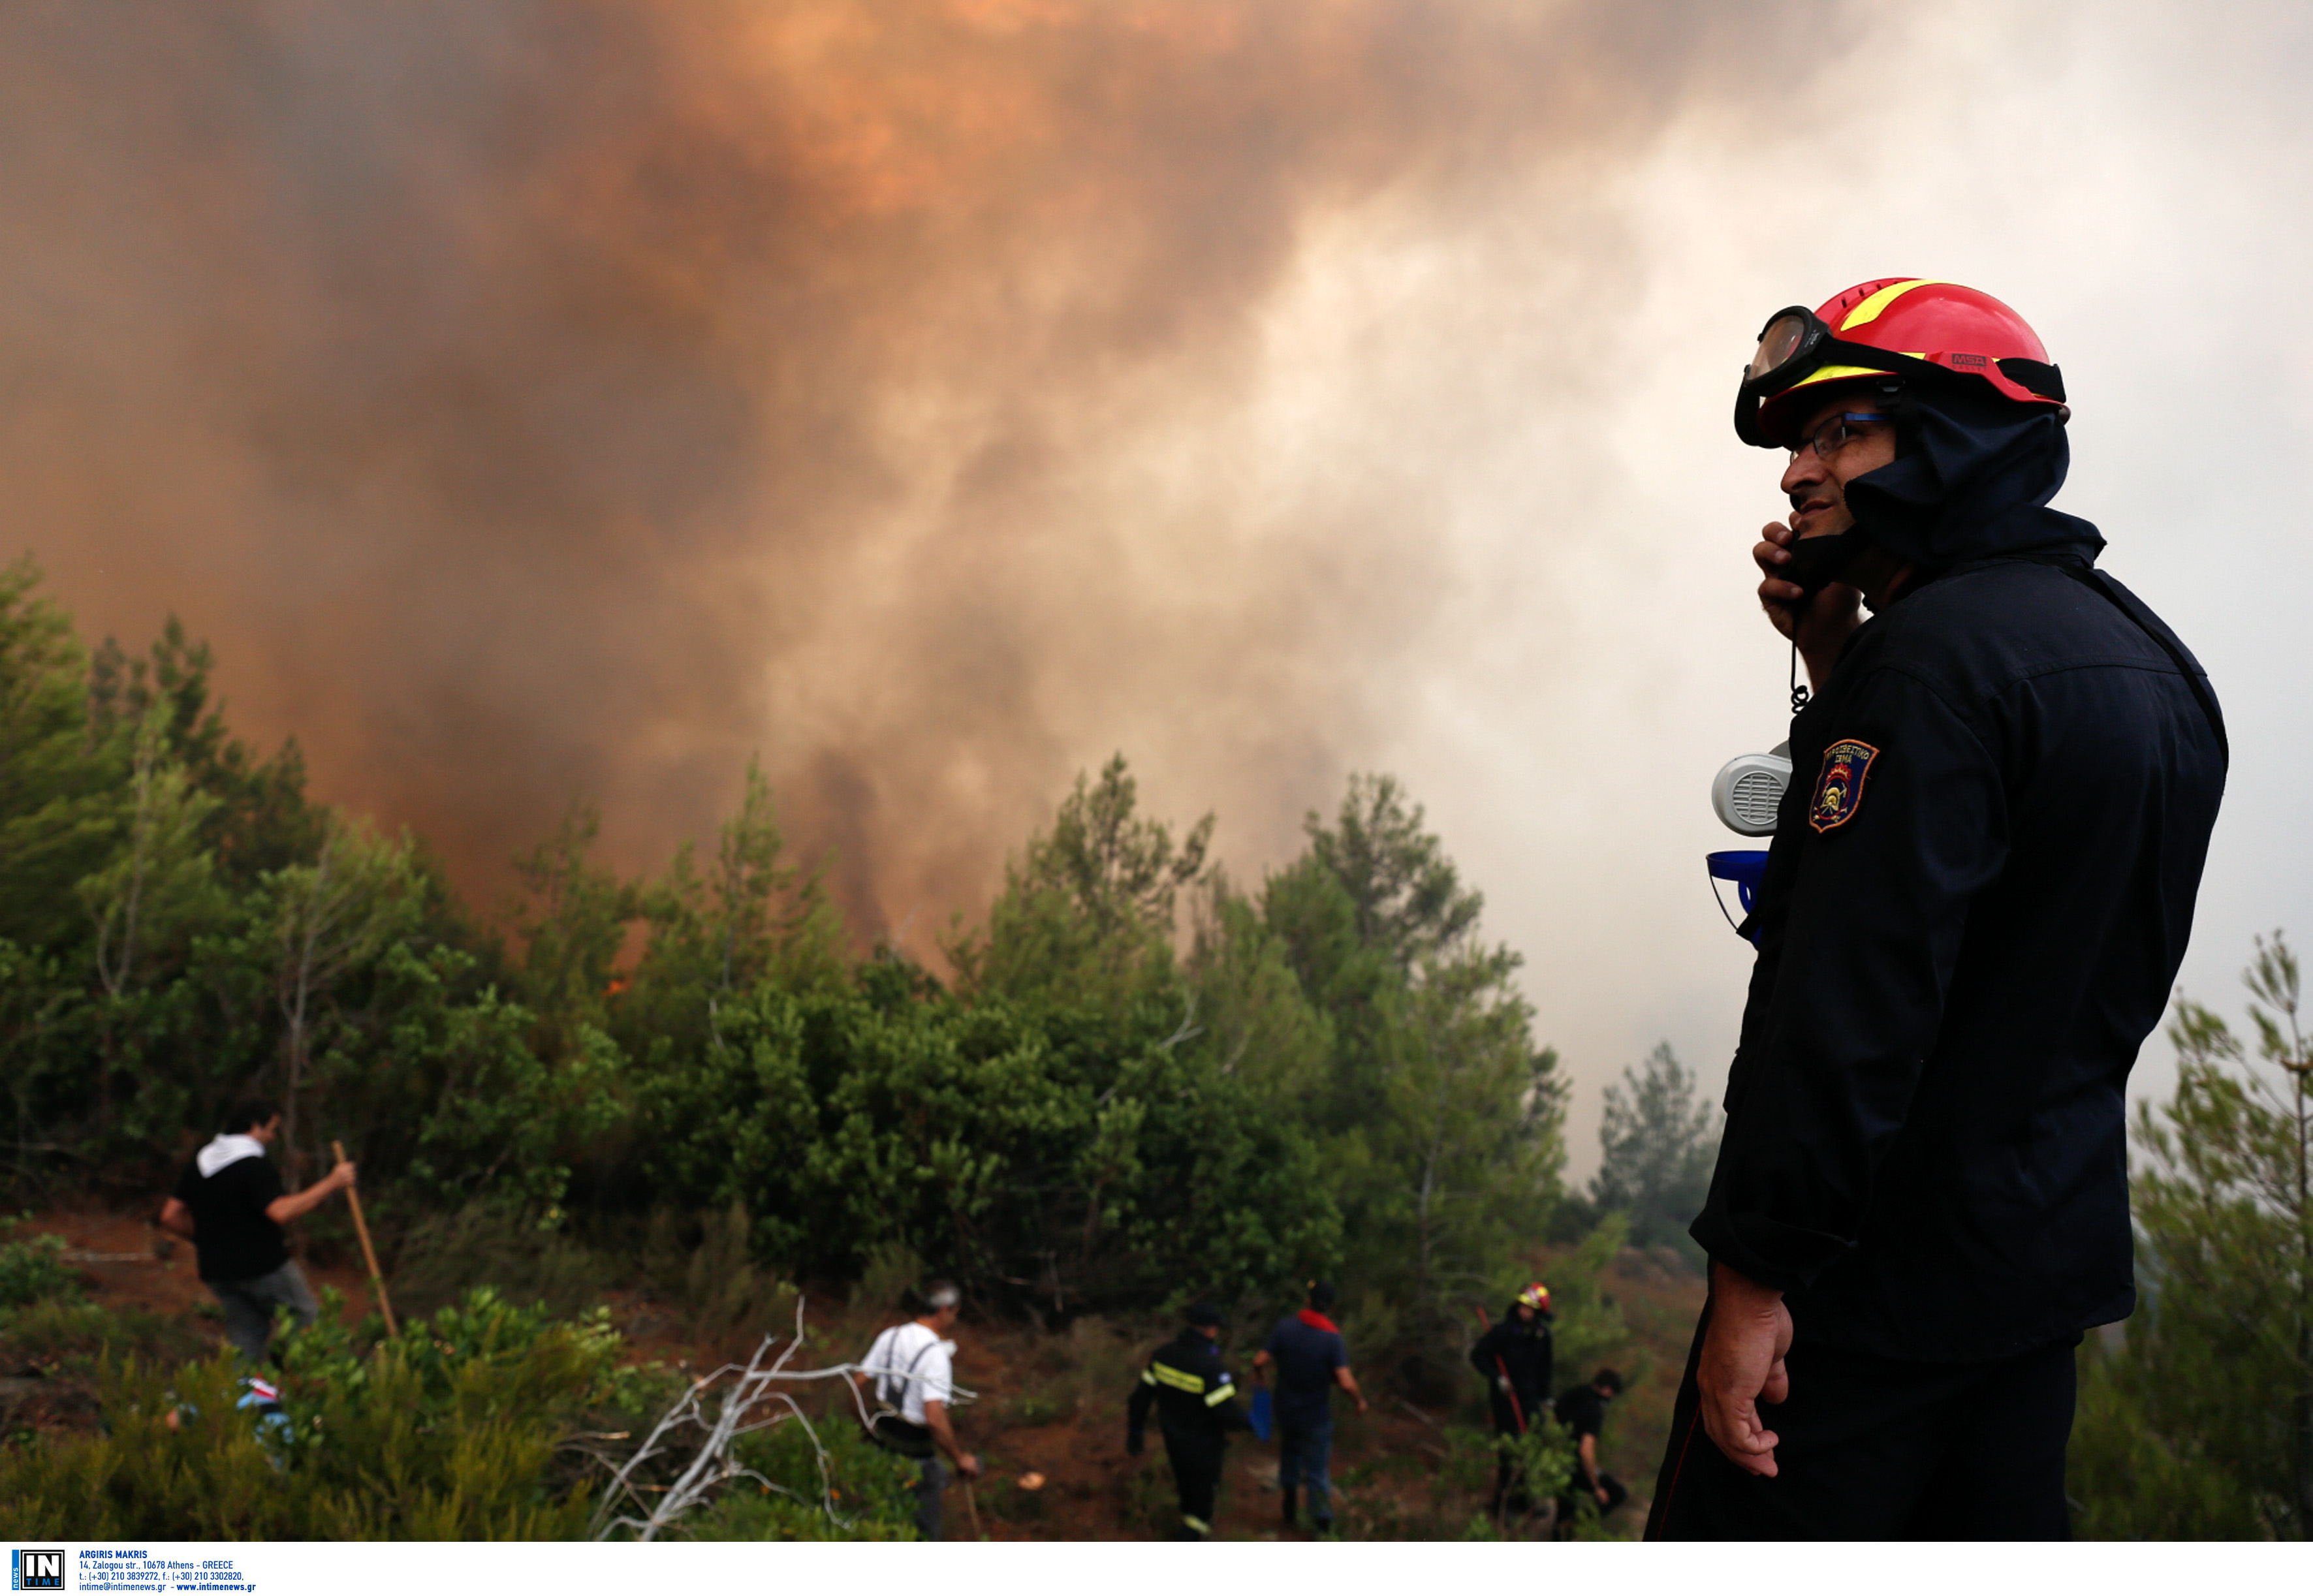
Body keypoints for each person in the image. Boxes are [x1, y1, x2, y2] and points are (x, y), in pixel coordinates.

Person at [1650, 280, 2226, 1539]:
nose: (1795, 472)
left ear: (1956, 436)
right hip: (2029, 1295)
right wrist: (1834, 656)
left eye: (1838, 432)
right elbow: (2021, 963)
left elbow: (1845, 1007)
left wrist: (1753, 1277)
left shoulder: (1925, 670)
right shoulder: (2149, 664)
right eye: (1795, 443)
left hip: (1856, 1311)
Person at [157, 1099, 355, 1365]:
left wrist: (206, 1239)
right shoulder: (253, 1164)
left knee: (246, 1337)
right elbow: (280, 1211)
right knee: (307, 1321)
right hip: (263, 1266)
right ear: (253, 1126)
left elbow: (170, 1216)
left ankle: (244, 1388)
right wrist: (332, 1182)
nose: (273, 1137)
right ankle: (287, 1376)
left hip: (218, 1270)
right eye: (272, 1130)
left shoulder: (201, 1163)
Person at [856, 1279, 980, 1541]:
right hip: (916, 1457)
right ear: (943, 1311)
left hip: (883, 1447)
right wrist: (959, 1458)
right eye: (955, 1313)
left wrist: (866, 1427)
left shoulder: (891, 1336)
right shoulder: (936, 1355)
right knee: (925, 1531)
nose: (954, 1319)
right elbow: (934, 1418)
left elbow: (857, 1384)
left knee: (880, 1520)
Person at [1251, 1279, 1368, 1534]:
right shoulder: (1332, 1338)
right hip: (1316, 1415)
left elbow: (1259, 1360)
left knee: (1290, 1454)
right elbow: (1346, 1382)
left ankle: (1289, 1505)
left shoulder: (1285, 1327)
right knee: (1317, 1469)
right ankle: (1321, 1524)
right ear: (1332, 1307)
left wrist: (1260, 1377)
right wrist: (1359, 1401)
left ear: (1308, 1300)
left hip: (1286, 1409)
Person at [1127, 1302, 1250, 1540]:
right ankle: (1193, 1534)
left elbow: (1140, 1398)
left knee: (1185, 1487)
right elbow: (1227, 1413)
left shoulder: (1162, 1356)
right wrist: (1251, 1423)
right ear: (1211, 1330)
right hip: (1204, 1446)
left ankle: (1189, 1523)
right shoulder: (1211, 1366)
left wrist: (1135, 1431)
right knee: (1202, 1500)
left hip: (1173, 1440)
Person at [1468, 1282, 1554, 1514]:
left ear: (1539, 1312)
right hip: (1506, 1400)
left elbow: (1545, 1368)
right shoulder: (1503, 1332)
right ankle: (1503, 1505)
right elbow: (1478, 1356)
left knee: (1531, 1447)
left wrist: (1547, 1397)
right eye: (1522, 1306)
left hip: (1530, 1399)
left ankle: (1526, 1500)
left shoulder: (1543, 1336)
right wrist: (1498, 1378)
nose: (1524, 1312)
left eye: (1530, 1309)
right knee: (1508, 1450)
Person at [1552, 1368, 1628, 1533]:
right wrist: (1596, 1486)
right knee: (1617, 1493)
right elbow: (1585, 1451)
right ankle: (1570, 1529)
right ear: (1607, 1390)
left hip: (1554, 1456)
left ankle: (1560, 1528)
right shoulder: (1595, 1410)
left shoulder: (1575, 1393)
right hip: (1573, 1465)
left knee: (1565, 1504)